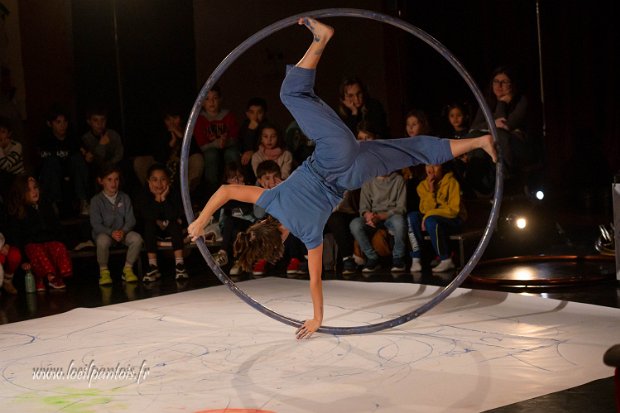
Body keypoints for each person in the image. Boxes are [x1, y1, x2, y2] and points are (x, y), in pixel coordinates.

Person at [188, 17, 497, 339]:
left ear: (279, 239)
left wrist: (316, 318)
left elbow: (315, 280)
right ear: (259, 224)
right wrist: (200, 220)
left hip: (352, 173)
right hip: (334, 152)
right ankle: (320, 39)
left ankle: (478, 142)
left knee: (413, 151)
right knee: (291, 93)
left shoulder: (308, 235)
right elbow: (225, 190)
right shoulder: (271, 200)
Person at [7, 175, 72, 291]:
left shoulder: (45, 206)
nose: (34, 192)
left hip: (47, 241)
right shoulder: (21, 211)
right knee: (37, 250)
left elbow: (56, 227)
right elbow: (18, 238)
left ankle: (57, 275)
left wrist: (60, 241)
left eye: (35, 187)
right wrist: (24, 260)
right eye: (29, 190)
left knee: (59, 247)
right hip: (32, 245)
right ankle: (48, 277)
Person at [408, 163, 466, 273]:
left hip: (454, 219)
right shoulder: (422, 186)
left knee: (431, 220)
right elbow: (425, 210)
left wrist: (429, 215)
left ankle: (446, 259)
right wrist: (431, 191)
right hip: (433, 218)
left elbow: (454, 210)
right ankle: (416, 258)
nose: (430, 170)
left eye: (435, 166)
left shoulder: (452, 182)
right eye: (427, 166)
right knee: (412, 217)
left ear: (442, 167)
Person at [90, 166, 143, 285]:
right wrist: (111, 232)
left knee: (137, 239)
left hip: (122, 233)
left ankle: (128, 269)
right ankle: (103, 271)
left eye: (116, 179)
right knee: (102, 241)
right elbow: (96, 224)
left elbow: (130, 220)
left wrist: (123, 231)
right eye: (109, 179)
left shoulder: (124, 198)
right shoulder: (96, 201)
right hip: (106, 234)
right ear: (101, 181)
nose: (113, 183)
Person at [470, 65, 529, 171]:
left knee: (499, 135)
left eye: (504, 82)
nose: (499, 85)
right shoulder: (487, 102)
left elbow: (505, 125)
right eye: (496, 81)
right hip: (492, 142)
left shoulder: (521, 100)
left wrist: (501, 103)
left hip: (515, 145)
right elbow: (474, 127)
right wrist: (492, 124)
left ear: (512, 85)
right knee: (475, 136)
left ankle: (505, 173)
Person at [136, 163, 188, 282]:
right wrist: (156, 199)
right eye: (154, 180)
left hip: (172, 231)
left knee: (174, 223)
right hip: (155, 233)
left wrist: (163, 198)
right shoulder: (144, 195)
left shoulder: (174, 193)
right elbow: (149, 216)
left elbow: (174, 215)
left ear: (168, 181)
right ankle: (153, 266)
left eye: (163, 179)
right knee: (149, 224)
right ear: (148, 181)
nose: (159, 184)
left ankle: (180, 265)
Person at [349, 171, 407, 273]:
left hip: (391, 215)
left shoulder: (398, 180)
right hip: (374, 216)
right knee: (355, 224)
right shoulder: (368, 181)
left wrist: (382, 216)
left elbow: (401, 207)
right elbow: (363, 208)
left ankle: (398, 258)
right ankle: (372, 258)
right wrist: (368, 216)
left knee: (399, 223)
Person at [75, 106, 125, 215]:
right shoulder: (86, 138)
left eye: (102, 120)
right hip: (96, 168)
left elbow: (119, 154)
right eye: (95, 120)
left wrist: (109, 166)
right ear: (89, 122)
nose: (99, 124)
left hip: (113, 166)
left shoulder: (113, 135)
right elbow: (92, 159)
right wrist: (101, 145)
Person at [193, 85, 240, 196]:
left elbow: (235, 137)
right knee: (211, 155)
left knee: (232, 154)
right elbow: (201, 144)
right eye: (207, 99)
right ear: (202, 102)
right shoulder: (200, 119)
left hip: (228, 146)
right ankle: (212, 192)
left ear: (220, 99)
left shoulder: (228, 115)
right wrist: (216, 144)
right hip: (210, 149)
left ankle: (235, 186)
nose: (211, 102)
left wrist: (226, 142)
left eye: (214, 98)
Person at [37, 105, 81, 217]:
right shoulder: (45, 140)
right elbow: (44, 162)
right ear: (50, 124)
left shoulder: (73, 138)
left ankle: (83, 199)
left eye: (65, 121)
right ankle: (54, 202)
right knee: (52, 162)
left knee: (77, 160)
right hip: (53, 175)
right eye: (58, 122)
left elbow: (79, 156)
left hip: (71, 172)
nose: (63, 125)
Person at [238, 97, 268, 182]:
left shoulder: (267, 126)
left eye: (259, 112)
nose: (255, 116)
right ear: (247, 114)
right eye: (252, 112)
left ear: (264, 113)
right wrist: (251, 131)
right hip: (247, 156)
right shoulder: (245, 126)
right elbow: (242, 145)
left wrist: (253, 152)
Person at [0, 117, 25, 199]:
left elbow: (6, 166)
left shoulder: (16, 146)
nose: (0, 135)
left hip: (17, 177)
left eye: (3, 132)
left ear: (9, 134)